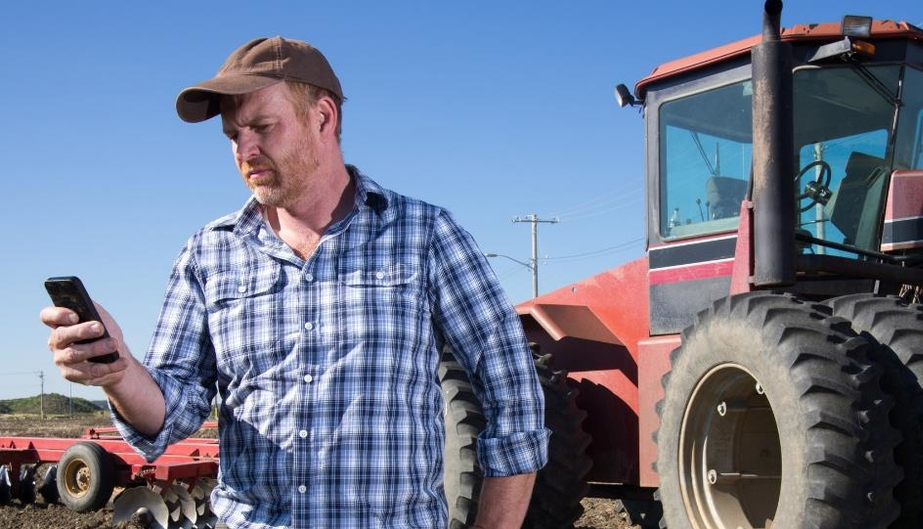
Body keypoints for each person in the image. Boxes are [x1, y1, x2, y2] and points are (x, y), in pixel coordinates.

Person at [41, 36, 549, 529]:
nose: (246, 148)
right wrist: (118, 370)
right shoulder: (208, 253)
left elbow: (514, 393)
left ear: (323, 117)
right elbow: (170, 415)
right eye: (233, 135)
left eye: (262, 126)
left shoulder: (425, 235)